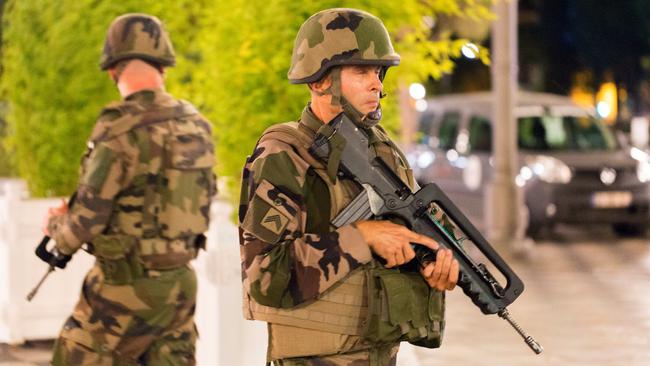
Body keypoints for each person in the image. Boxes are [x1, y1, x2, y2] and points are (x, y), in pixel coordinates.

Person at [239, 8, 459, 365]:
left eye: (379, 72)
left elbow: (405, 243)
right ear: (318, 80)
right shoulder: (285, 154)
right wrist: (363, 237)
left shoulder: (385, 152)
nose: (377, 84)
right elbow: (264, 277)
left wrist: (431, 266)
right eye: (361, 71)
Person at [42, 13, 216, 365]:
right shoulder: (197, 125)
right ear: (163, 66)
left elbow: (85, 223)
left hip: (125, 290)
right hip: (179, 284)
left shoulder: (118, 129)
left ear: (112, 69)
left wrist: (56, 227)